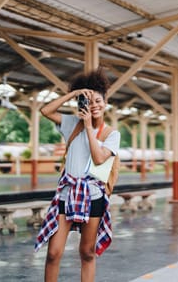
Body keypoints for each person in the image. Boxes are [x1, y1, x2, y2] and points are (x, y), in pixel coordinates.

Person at [34, 67, 121, 282]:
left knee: (87, 252)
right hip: (67, 194)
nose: (94, 105)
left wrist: (90, 127)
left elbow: (100, 158)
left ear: (105, 103)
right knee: (53, 252)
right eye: (89, 101)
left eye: (98, 101)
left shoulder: (112, 134)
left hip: (93, 196)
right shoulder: (71, 124)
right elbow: (45, 110)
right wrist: (74, 93)